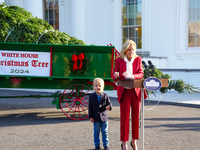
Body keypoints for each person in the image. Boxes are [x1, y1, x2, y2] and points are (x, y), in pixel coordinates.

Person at [114, 40, 147, 150]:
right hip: (124, 92)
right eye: (129, 50)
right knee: (124, 118)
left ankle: (134, 142)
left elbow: (141, 73)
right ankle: (124, 143)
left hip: (135, 92)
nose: (131, 52)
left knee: (136, 118)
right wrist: (116, 74)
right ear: (125, 50)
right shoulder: (119, 60)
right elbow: (114, 74)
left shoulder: (138, 59)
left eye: (133, 50)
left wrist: (132, 76)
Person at [89, 78, 112, 150]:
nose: (98, 87)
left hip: (104, 117)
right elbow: (90, 107)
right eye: (96, 86)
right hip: (96, 117)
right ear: (93, 87)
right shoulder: (91, 96)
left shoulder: (105, 95)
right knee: (96, 132)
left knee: (104, 131)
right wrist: (91, 117)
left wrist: (109, 106)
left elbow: (109, 103)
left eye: (99, 86)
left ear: (102, 87)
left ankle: (106, 145)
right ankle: (97, 145)